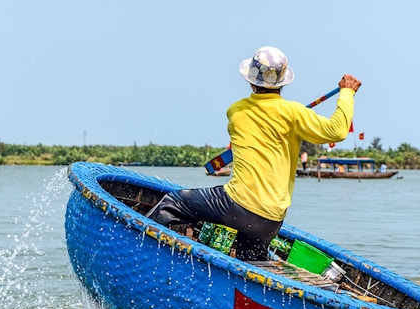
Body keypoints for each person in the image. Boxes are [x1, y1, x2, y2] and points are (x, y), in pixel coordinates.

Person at [146, 46, 361, 261]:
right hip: (271, 221)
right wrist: (347, 93)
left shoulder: (236, 112)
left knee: (171, 203)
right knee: (249, 261)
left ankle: (141, 254)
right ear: (283, 83)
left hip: (236, 205)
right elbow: (337, 130)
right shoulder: (295, 114)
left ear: (251, 81)